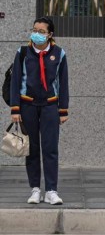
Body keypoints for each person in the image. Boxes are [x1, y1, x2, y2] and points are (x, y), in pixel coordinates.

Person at [10, 17, 69, 205]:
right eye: (35, 30)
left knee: (50, 149)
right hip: (28, 106)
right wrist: (15, 109)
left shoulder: (59, 54)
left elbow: (64, 84)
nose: (37, 34)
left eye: (42, 31)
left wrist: (63, 110)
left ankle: (51, 190)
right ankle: (35, 189)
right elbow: (15, 82)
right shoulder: (23, 53)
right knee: (32, 149)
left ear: (50, 34)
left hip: (50, 106)